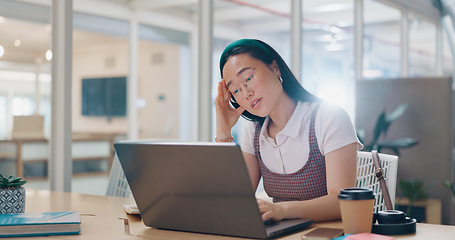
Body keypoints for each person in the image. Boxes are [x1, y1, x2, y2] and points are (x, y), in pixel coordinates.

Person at [215, 39, 363, 222]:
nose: (246, 93)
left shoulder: (328, 117)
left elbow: (342, 202)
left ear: (275, 68)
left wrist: (281, 210)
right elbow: (234, 201)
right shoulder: (253, 132)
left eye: (248, 78)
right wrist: (223, 132)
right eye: (235, 90)